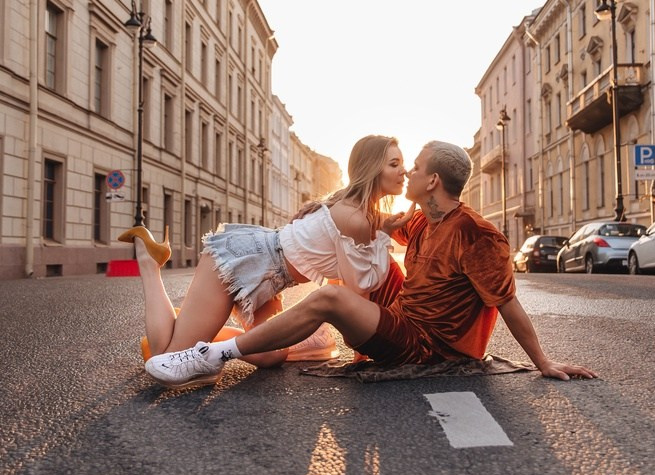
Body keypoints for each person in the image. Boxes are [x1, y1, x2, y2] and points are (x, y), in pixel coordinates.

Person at [145, 140, 598, 387]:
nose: (408, 174)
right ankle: (194, 340)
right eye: (402, 166)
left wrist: (544, 361)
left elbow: (508, 302)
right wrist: (323, 204)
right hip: (396, 321)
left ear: (433, 180)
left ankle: (209, 353)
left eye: (414, 168)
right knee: (280, 343)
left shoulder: (477, 233)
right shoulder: (420, 221)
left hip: (425, 344)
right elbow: (373, 223)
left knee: (329, 297)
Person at [121, 134, 412, 373]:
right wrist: (367, 348)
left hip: (267, 274)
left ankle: (184, 325)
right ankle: (150, 263)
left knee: (271, 355)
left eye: (404, 164)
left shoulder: (357, 211)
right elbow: (357, 291)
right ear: (373, 167)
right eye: (394, 164)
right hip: (241, 262)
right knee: (164, 356)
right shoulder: (355, 218)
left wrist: (385, 227)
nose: (404, 171)